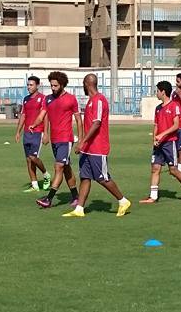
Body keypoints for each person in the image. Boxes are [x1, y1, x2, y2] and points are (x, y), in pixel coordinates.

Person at [63, 74, 131, 218]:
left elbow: (97, 123)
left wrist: (82, 141)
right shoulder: (91, 101)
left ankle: (123, 201)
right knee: (85, 177)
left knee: (102, 178)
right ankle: (79, 209)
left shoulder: (99, 100)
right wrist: (83, 144)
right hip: (87, 149)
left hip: (97, 148)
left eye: (83, 84)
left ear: (87, 84)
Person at [31, 71, 82, 209]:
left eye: (55, 85)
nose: (53, 88)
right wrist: (34, 125)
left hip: (66, 139)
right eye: (51, 85)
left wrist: (81, 140)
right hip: (55, 140)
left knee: (58, 166)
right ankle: (76, 196)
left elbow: (78, 119)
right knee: (66, 168)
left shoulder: (71, 99)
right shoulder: (47, 99)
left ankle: (49, 199)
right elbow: (42, 115)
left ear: (62, 85)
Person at [141, 81, 181, 204]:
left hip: (169, 143)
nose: (156, 93)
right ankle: (153, 197)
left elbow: (176, 125)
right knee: (155, 168)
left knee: (173, 170)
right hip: (159, 144)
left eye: (157, 91)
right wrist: (154, 139)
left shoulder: (174, 106)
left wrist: (162, 135)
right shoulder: (158, 108)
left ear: (163, 92)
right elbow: (156, 125)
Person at [14, 76, 51, 192]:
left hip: (38, 132)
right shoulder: (26, 99)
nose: (29, 87)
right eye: (28, 85)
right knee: (28, 159)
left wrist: (46, 133)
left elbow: (45, 117)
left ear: (37, 86)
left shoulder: (43, 98)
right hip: (27, 132)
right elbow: (23, 116)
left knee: (33, 157)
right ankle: (34, 185)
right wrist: (18, 131)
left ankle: (46, 175)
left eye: (31, 85)